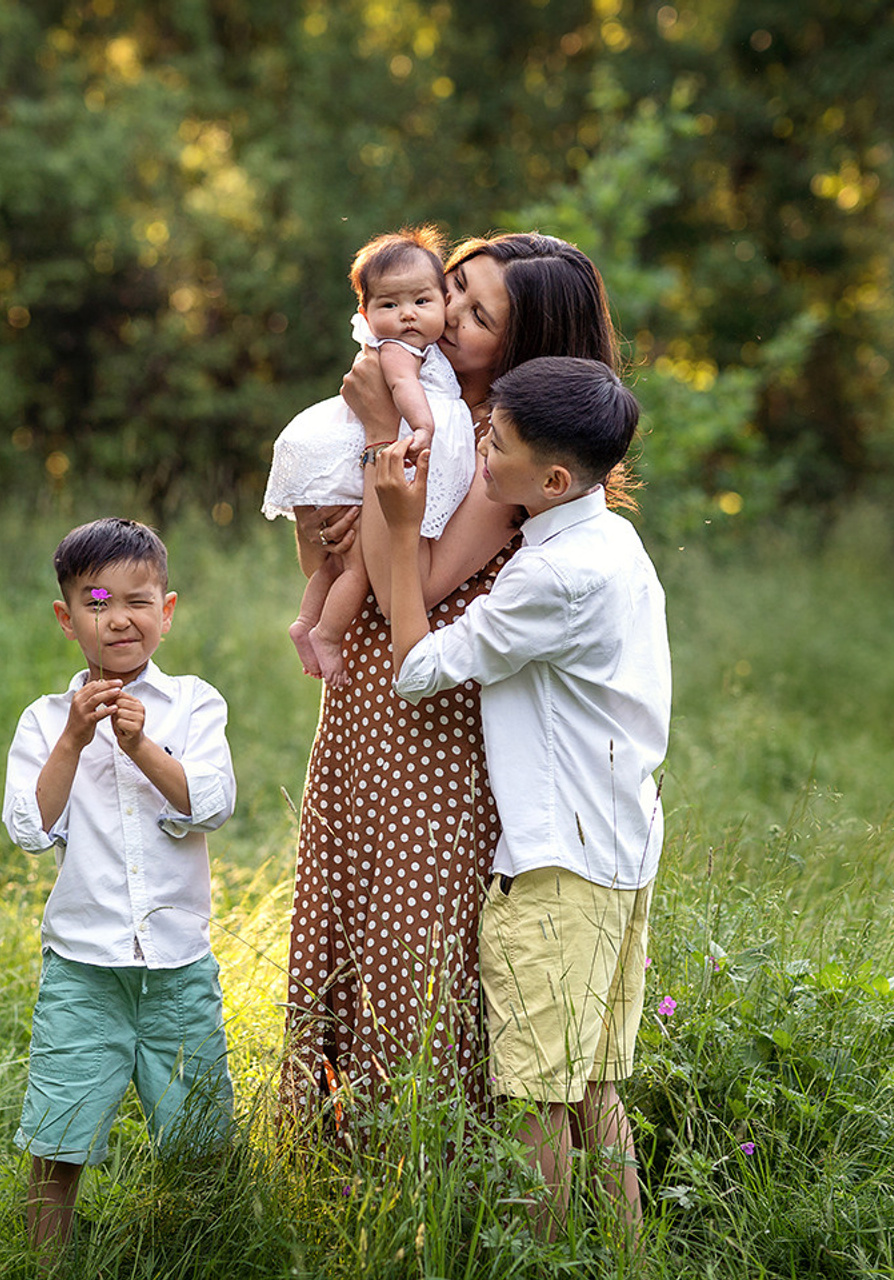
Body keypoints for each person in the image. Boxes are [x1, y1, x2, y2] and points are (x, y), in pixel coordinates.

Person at [279, 233, 622, 1128]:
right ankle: (337, 1149)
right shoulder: (423, 393)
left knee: (411, 932)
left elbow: (421, 581)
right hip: (364, 693)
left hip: (432, 711)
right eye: (452, 291)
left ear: (527, 345)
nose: (449, 317)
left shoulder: (505, 452)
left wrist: (382, 439)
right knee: (350, 902)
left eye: (480, 315)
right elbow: (333, 552)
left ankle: (422, 1156)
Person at [372, 356, 667, 1239]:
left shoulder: (552, 577)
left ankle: (543, 1261)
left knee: (534, 1099)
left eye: (495, 444)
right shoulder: (612, 543)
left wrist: (400, 528)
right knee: (591, 1090)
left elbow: (417, 670)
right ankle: (625, 1260)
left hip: (556, 870)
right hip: (617, 850)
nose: (480, 453)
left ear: (554, 481)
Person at [0, 518, 238, 1254]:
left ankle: (206, 1255)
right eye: (97, 602)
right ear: (67, 617)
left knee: (200, 1137)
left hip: (177, 965)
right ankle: (47, 1261)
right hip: (84, 967)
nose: (120, 618)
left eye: (139, 601)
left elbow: (212, 803)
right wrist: (76, 739)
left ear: (167, 611)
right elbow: (29, 827)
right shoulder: (45, 721)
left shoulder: (194, 704)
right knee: (59, 1135)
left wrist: (138, 744)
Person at [262, 227, 479, 685]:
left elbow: (393, 590)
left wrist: (385, 431)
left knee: (347, 564)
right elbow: (402, 385)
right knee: (351, 562)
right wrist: (421, 427)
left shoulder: (502, 441)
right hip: (371, 671)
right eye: (455, 289)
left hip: (404, 671)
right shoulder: (402, 352)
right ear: (365, 312)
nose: (410, 314)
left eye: (423, 300)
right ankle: (321, 631)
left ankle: (309, 623)